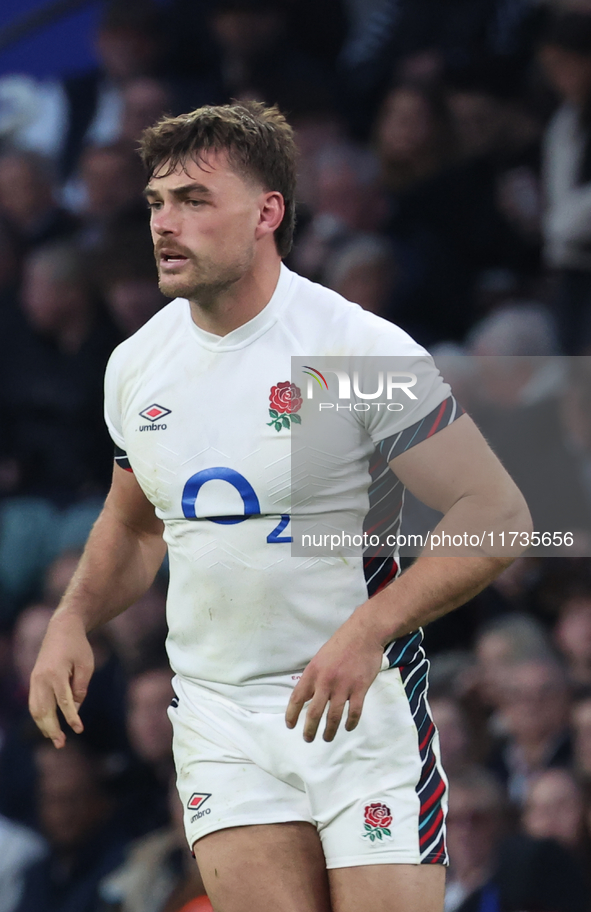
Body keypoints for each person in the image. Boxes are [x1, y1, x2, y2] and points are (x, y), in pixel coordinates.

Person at [28, 100, 531, 912]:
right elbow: (136, 520)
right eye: (156, 202)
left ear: (267, 213)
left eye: (194, 201)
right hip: (220, 717)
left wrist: (367, 631)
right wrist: (71, 618)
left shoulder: (354, 347)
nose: (164, 223)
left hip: (356, 711)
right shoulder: (137, 364)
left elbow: (499, 514)